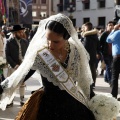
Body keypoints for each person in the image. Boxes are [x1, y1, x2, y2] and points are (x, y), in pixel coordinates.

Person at [0, 14, 119, 120]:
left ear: (67, 37)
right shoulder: (40, 55)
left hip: (74, 104)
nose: (50, 45)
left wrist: (99, 103)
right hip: (48, 107)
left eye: (56, 41)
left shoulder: (76, 52)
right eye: (48, 39)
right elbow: (18, 77)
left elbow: (84, 82)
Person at [5, 25, 29, 107]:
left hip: (23, 66)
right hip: (12, 67)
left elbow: (28, 54)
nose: (21, 33)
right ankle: (10, 100)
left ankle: (22, 100)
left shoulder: (25, 42)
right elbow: (7, 56)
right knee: (12, 84)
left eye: (22, 31)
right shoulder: (9, 42)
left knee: (22, 83)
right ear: (15, 33)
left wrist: (25, 64)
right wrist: (15, 65)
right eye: (19, 32)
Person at [82, 22, 100, 89]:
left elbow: (85, 47)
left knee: (87, 70)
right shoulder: (95, 36)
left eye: (84, 27)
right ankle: (93, 84)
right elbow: (98, 45)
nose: (83, 28)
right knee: (93, 70)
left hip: (87, 56)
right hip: (93, 55)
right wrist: (98, 53)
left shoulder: (87, 36)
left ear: (87, 27)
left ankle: (89, 84)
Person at [106, 20, 120, 100]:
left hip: (117, 58)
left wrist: (113, 30)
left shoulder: (117, 33)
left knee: (114, 77)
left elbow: (108, 40)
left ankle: (114, 96)